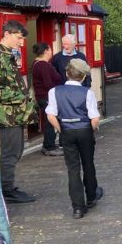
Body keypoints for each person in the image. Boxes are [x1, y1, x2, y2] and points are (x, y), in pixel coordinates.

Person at [45, 59, 103, 218]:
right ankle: (91, 197)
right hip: (84, 129)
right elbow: (95, 118)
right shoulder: (87, 93)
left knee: (73, 168)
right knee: (88, 163)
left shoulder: (54, 91)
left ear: (66, 74)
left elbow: (50, 115)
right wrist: (88, 130)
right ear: (84, 77)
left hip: (67, 130)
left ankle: (78, 207)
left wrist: (60, 129)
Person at [0, 21, 39, 204]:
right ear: (7, 33)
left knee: (16, 151)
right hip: (7, 116)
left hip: (15, 115)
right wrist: (23, 98)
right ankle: (7, 190)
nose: (21, 43)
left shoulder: (7, 56)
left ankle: (8, 187)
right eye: (19, 38)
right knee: (10, 153)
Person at [31, 43, 64, 156]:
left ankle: (48, 145)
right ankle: (49, 147)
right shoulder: (43, 65)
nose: (51, 51)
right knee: (50, 121)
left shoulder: (38, 63)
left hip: (43, 96)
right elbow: (48, 83)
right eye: (50, 49)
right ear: (46, 51)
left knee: (49, 120)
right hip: (47, 97)